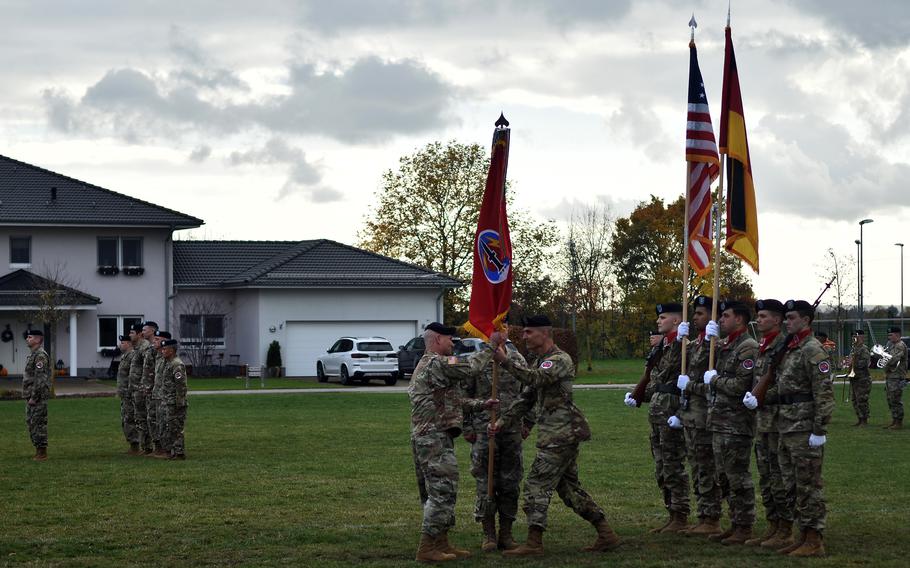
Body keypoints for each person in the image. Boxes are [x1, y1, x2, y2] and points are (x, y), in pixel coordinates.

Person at [490, 315, 619, 557]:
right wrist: (501, 422)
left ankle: (534, 543)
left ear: (545, 334)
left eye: (529, 332)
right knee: (569, 490)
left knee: (536, 485)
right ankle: (606, 533)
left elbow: (535, 379)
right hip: (556, 435)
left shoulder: (558, 360)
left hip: (561, 435)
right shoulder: (541, 360)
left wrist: (505, 362)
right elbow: (526, 397)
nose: (524, 336)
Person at [408, 322, 499, 563]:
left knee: (438, 491)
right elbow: (471, 367)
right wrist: (492, 345)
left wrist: (481, 404)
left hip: (430, 436)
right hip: (433, 438)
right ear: (438, 339)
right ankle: (427, 548)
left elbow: (452, 400)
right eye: (450, 340)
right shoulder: (439, 362)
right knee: (442, 491)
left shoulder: (427, 365)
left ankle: (442, 542)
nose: (453, 345)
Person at [681, 300, 757, 545]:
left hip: (736, 423)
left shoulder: (747, 348)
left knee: (738, 478)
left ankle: (744, 526)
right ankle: (735, 524)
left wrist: (714, 382)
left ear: (740, 320)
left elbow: (739, 386)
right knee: (724, 478)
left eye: (725, 316)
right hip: (718, 421)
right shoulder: (724, 345)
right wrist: (703, 341)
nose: (720, 320)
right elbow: (696, 364)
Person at [772, 300, 835, 557]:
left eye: (791, 317)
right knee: (792, 485)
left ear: (806, 320)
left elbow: (824, 394)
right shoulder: (792, 348)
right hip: (786, 424)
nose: (786, 322)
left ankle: (814, 538)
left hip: (804, 427)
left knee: (809, 485)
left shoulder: (812, 350)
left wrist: (819, 430)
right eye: (785, 318)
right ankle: (802, 534)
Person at [461, 326, 528, 552]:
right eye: (495, 328)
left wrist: (527, 423)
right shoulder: (477, 360)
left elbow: (529, 393)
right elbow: (463, 396)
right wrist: (467, 426)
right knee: (485, 482)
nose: (500, 332)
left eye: (504, 327)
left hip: (511, 431)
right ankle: (488, 533)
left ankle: (506, 533)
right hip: (484, 430)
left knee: (510, 483)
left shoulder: (518, 359)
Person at [628, 303, 690, 534]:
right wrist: (639, 395)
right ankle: (671, 513)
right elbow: (656, 379)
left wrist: (680, 416)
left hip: (672, 413)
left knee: (673, 465)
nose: (658, 321)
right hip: (657, 413)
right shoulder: (663, 345)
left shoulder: (682, 345)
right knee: (662, 466)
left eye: (663, 317)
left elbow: (677, 372)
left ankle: (680, 515)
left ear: (676, 321)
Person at [741, 299, 791, 548]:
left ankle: (785, 528)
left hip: (778, 422)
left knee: (780, 477)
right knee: (766, 477)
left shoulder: (784, 346)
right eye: (758, 316)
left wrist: (761, 397)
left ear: (777, 320)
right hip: (762, 421)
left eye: (763, 316)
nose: (758, 320)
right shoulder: (764, 346)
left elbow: (784, 384)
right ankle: (773, 525)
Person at [675, 296, 723, 536]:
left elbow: (712, 385)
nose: (695, 317)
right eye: (694, 314)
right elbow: (678, 367)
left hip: (705, 416)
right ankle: (703, 515)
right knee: (697, 467)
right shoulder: (694, 344)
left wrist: (690, 386)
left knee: (707, 469)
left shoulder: (717, 346)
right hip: (690, 416)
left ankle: (712, 518)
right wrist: (677, 341)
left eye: (701, 314)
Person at [23, 328, 50, 461]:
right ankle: (38, 449)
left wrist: (34, 397)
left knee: (38, 423)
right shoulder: (33, 355)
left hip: (37, 398)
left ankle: (42, 453)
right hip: (30, 397)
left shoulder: (40, 356)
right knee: (31, 422)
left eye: (30, 337)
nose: (27, 339)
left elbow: (40, 378)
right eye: (27, 337)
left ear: (38, 339)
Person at [159, 338, 188, 460]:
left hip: (174, 403)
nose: (162, 351)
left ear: (171, 350)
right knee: (168, 427)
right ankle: (172, 451)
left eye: (165, 349)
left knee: (175, 427)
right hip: (167, 401)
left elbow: (181, 386)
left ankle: (179, 452)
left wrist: (179, 402)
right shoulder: (167, 363)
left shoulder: (177, 364)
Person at [130, 322, 154, 454]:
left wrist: (144, 386)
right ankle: (146, 447)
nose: (143, 332)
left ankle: (148, 447)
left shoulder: (145, 347)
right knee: (139, 418)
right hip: (136, 388)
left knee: (144, 417)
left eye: (145, 330)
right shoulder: (138, 347)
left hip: (142, 388)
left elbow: (148, 367)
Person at [149, 330, 172, 457]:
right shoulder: (158, 356)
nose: (154, 341)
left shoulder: (169, 358)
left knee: (166, 423)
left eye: (157, 339)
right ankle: (161, 449)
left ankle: (168, 450)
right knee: (159, 422)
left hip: (165, 396)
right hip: (157, 395)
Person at [116, 334, 140, 454]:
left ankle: (136, 445)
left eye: (123, 343)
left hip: (130, 394)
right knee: (126, 419)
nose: (121, 345)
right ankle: (132, 444)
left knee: (130, 418)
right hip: (124, 394)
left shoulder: (132, 356)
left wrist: (131, 392)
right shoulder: (124, 357)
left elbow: (133, 376)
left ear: (129, 344)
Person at [140, 321, 161, 453]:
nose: (142, 332)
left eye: (145, 330)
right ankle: (153, 446)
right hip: (148, 388)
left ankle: (159, 447)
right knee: (149, 417)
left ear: (152, 330)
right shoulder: (149, 348)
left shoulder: (157, 348)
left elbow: (157, 369)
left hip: (155, 389)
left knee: (155, 418)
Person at [883, 326, 907, 430]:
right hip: (891, 376)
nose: (889, 337)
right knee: (890, 399)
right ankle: (894, 420)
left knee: (896, 399)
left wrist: (883, 358)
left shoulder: (900, 345)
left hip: (897, 376)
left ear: (897, 335)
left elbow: (893, 359)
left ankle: (899, 422)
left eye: (891, 335)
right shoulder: (892, 345)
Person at [847, 330, 872, 426]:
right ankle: (860, 418)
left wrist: (853, 363)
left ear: (861, 337)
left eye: (856, 336)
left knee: (862, 399)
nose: (854, 338)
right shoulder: (854, 348)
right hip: (855, 378)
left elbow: (865, 363)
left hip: (863, 378)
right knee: (855, 400)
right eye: (853, 336)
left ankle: (864, 420)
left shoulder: (863, 349)